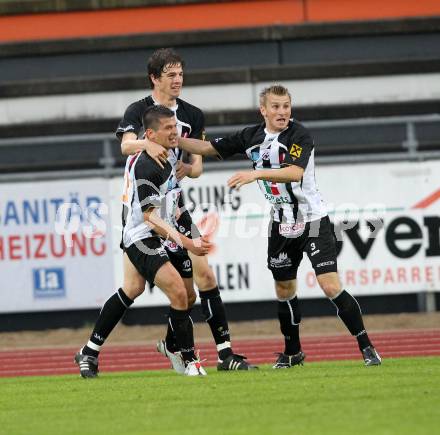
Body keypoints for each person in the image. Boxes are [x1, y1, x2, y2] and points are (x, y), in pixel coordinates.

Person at [176, 84, 382, 367]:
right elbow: (209, 148)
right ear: (264, 110)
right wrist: (174, 141)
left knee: (329, 285)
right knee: (284, 289)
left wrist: (254, 174)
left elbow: (295, 172)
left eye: (286, 106)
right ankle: (292, 352)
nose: (282, 111)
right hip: (280, 224)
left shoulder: (300, 135)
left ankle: (367, 347)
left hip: (313, 220)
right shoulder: (251, 136)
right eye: (276, 106)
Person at [115, 47, 256, 371]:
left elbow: (197, 168)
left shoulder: (192, 114)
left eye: (180, 74)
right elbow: (125, 146)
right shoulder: (140, 110)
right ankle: (101, 349)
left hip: (176, 205)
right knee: (135, 287)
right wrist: (148, 144)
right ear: (155, 78)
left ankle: (225, 354)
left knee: (204, 274)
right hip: (147, 208)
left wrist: (186, 169)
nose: (178, 80)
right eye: (171, 75)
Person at [75, 105, 211, 378]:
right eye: (169, 129)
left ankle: (90, 351)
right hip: (143, 235)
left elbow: (175, 202)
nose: (176, 133)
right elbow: (151, 218)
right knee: (178, 293)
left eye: (176, 127)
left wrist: (193, 234)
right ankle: (189, 360)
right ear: (150, 134)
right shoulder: (146, 164)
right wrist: (186, 242)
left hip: (163, 230)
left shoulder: (168, 156)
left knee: (145, 290)